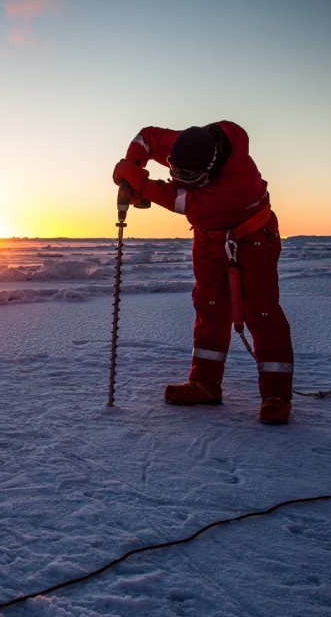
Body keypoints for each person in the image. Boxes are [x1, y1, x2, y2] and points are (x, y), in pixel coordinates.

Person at [112, 122, 294, 424]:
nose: (183, 182)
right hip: (208, 237)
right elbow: (146, 137)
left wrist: (135, 179)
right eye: (177, 174)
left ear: (209, 170)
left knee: (261, 312)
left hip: (252, 239)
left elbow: (181, 201)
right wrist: (132, 165)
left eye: (191, 178)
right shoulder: (184, 145)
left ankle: (276, 395)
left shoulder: (234, 180)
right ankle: (205, 383)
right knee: (209, 305)